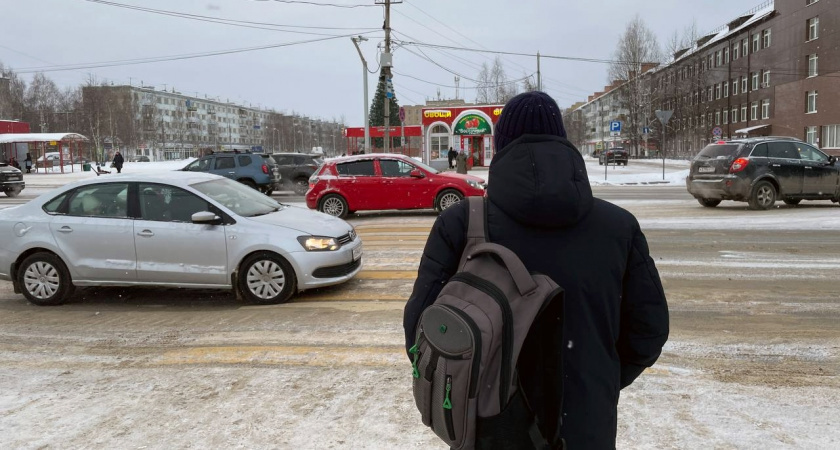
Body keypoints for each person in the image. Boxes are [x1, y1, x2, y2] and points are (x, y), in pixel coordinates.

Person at [403, 91, 669, 448]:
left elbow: (421, 330)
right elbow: (648, 333)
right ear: (563, 141)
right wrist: (595, 377)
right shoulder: (618, 227)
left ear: (500, 148)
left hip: (487, 429)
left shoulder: (462, 225)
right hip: (585, 430)